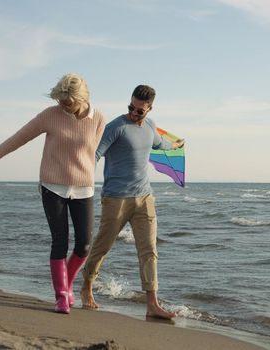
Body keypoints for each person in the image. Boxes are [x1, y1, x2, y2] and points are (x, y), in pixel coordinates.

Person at [0, 74, 106, 314]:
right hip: (52, 186)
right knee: (60, 241)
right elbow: (20, 137)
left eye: (68, 102)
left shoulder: (98, 118)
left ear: (82, 99)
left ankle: (67, 285)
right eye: (60, 101)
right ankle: (60, 297)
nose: (62, 106)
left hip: (83, 188)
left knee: (84, 245)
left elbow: (92, 153)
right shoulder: (50, 115)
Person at [81, 85, 183, 319]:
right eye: (131, 107)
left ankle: (152, 304)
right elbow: (94, 155)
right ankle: (86, 287)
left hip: (144, 197)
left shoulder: (149, 125)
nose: (133, 113)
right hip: (116, 198)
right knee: (102, 247)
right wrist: (82, 182)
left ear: (149, 109)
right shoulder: (116, 127)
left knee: (149, 250)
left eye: (139, 110)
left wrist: (176, 145)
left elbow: (159, 144)